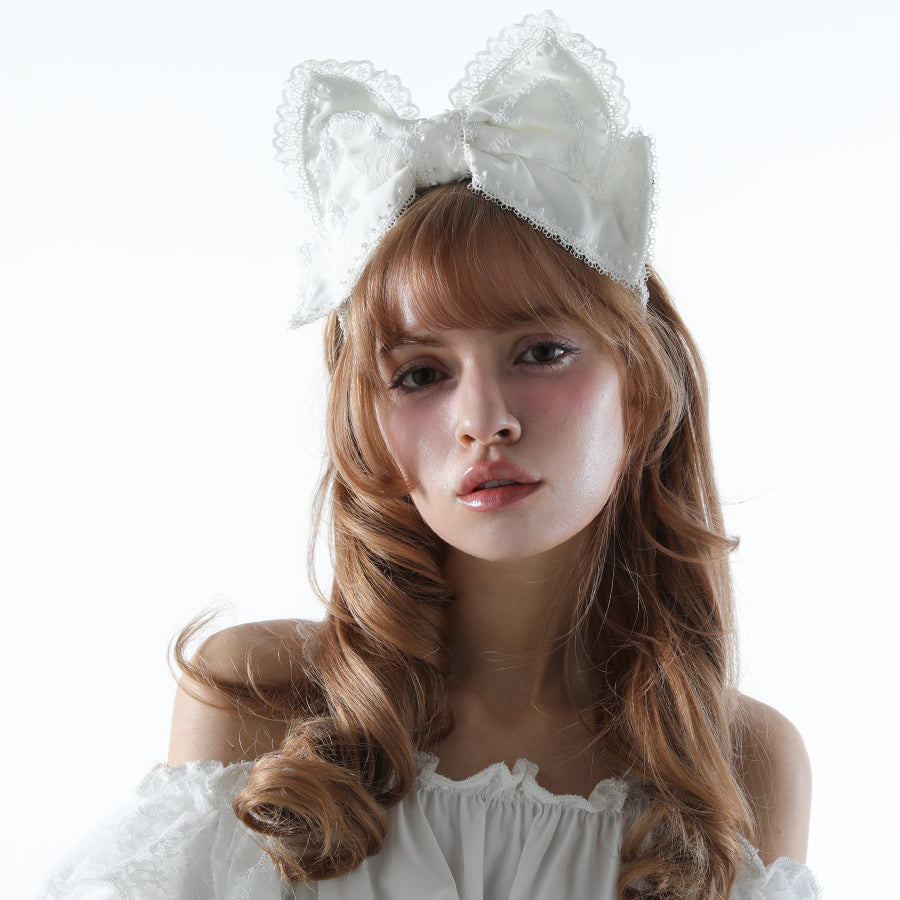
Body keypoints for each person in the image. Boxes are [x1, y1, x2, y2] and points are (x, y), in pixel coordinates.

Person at [40, 12, 819, 899]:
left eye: (540, 352)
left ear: (640, 391)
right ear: (367, 423)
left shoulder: (739, 765)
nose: (484, 422)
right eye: (419, 374)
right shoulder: (257, 699)